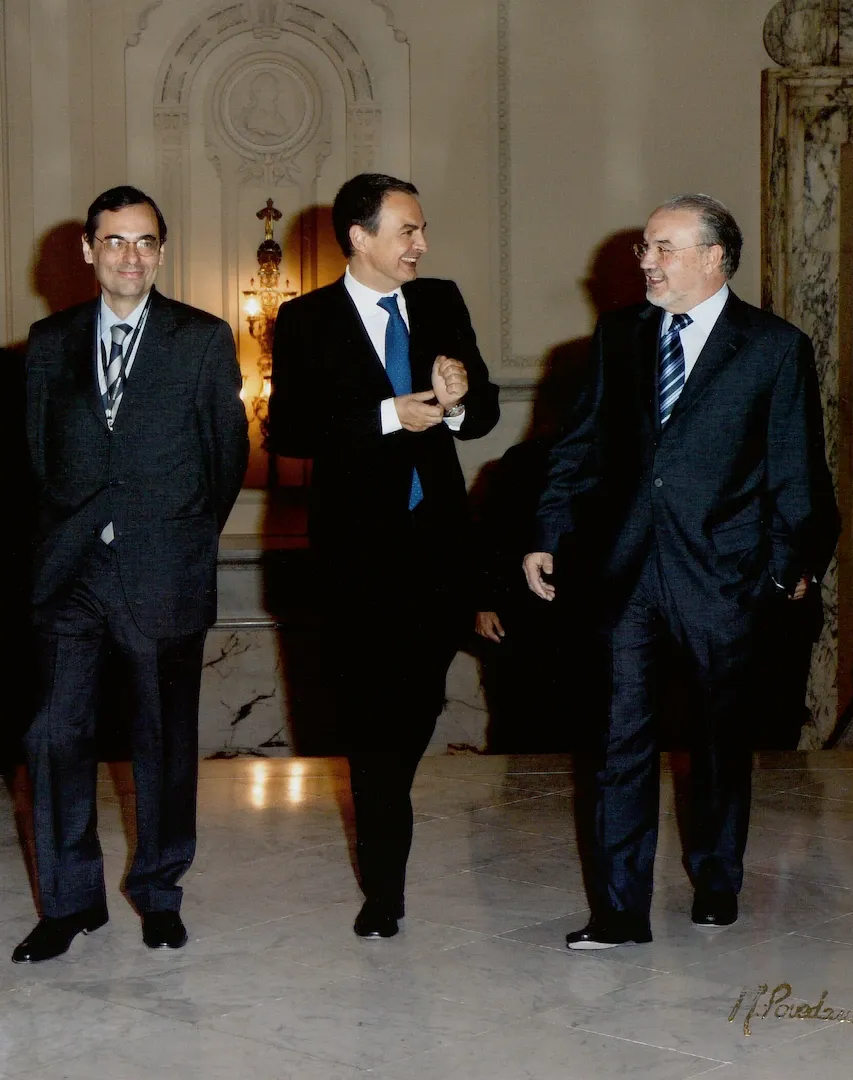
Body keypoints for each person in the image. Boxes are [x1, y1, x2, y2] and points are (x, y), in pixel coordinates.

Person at [524, 194, 838, 949]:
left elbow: (797, 469)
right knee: (617, 742)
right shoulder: (619, 336)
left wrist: (788, 567)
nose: (646, 262)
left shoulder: (773, 348)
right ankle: (618, 911)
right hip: (624, 573)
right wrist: (547, 532)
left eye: (663, 248)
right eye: (643, 247)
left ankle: (716, 878)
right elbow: (580, 444)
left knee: (719, 744)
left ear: (713, 258)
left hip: (724, 577)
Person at [13, 185, 249, 964]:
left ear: (161, 251)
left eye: (145, 242)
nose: (130, 256)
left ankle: (158, 893)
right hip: (70, 571)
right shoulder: (48, 342)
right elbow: (35, 460)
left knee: (163, 742)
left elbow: (225, 463)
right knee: (53, 735)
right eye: (115, 241)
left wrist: (175, 540)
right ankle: (69, 902)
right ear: (87, 250)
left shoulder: (203, 340)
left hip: (162, 571)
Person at [270, 172, 499, 938]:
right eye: (407, 231)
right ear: (359, 237)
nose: (422, 244)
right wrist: (384, 415)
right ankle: (384, 889)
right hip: (355, 561)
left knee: (414, 710)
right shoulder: (304, 320)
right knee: (372, 723)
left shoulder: (441, 302)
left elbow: (484, 410)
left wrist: (461, 398)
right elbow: (289, 431)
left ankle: (385, 810)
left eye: (422, 230)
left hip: (437, 554)